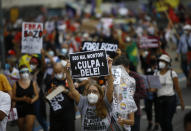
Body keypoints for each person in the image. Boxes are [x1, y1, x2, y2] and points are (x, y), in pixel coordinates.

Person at [65, 58, 114, 131]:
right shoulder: (83, 102)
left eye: (94, 91)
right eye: (89, 91)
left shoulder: (105, 102)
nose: (91, 93)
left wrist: (109, 69)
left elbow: (110, 89)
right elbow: (72, 90)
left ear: (100, 95)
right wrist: (67, 71)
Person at [154, 54, 185, 131]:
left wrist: (181, 101)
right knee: (161, 121)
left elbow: (177, 88)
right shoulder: (156, 74)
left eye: (163, 61)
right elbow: (154, 89)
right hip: (159, 100)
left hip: (170, 99)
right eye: (160, 61)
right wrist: (150, 88)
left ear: (167, 63)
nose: (160, 63)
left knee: (167, 121)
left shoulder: (172, 73)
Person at [45, 62, 75, 131]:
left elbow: (75, 97)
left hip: (68, 115)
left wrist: (65, 91)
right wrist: (51, 91)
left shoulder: (70, 80)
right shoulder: (51, 81)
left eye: (59, 72)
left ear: (64, 70)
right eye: (56, 72)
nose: (58, 74)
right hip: (55, 116)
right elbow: (45, 99)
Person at [12, 65, 39, 131]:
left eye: (27, 71)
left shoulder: (33, 83)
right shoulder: (16, 84)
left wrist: (32, 100)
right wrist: (22, 99)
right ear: (19, 73)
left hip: (30, 107)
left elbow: (37, 95)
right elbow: (13, 97)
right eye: (23, 72)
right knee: (21, 129)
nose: (25, 74)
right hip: (19, 108)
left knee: (28, 128)